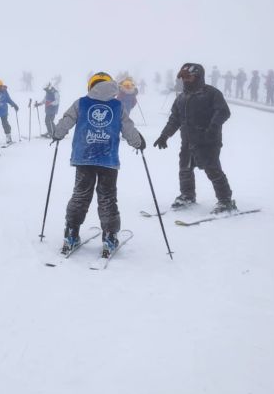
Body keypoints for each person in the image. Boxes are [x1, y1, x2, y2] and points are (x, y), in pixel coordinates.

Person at [51, 72, 145, 257]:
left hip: (84, 158)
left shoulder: (81, 103)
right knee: (107, 198)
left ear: (91, 86)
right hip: (107, 159)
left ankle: (71, 233)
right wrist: (138, 142)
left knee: (80, 196)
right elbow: (128, 128)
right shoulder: (117, 106)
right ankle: (109, 237)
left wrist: (57, 134)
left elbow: (66, 121)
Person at [153, 62, 236, 214]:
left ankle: (225, 200)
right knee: (185, 168)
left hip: (208, 140)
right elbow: (175, 119)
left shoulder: (211, 93)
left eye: (189, 77)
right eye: (183, 78)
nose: (185, 80)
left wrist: (212, 128)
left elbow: (223, 112)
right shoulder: (181, 98)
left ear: (198, 77)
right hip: (188, 140)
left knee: (212, 169)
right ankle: (187, 195)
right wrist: (164, 135)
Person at [0, 79, 19, 144]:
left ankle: (8, 136)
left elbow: (8, 99)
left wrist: (14, 105)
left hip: (4, 111)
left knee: (5, 124)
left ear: (1, 86)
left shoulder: (4, 91)